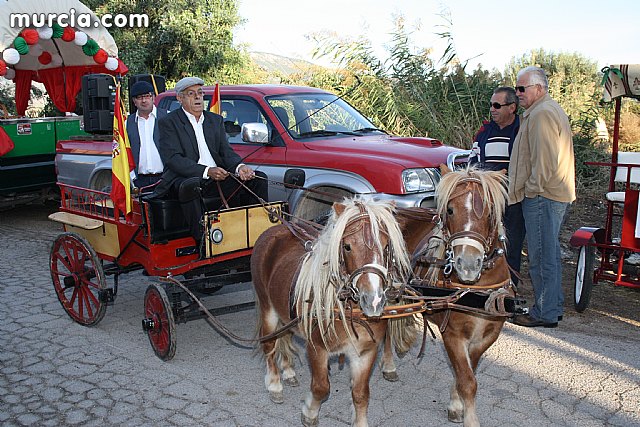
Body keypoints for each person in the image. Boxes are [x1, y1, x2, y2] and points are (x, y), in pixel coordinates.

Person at [154, 76, 268, 249]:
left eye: (200, 93)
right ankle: (205, 244)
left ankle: (254, 236)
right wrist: (207, 171)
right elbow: (173, 159)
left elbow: (226, 152)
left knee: (257, 178)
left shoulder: (215, 120)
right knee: (190, 185)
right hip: (186, 178)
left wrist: (240, 167)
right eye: (191, 94)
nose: (198, 97)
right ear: (180, 98)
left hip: (217, 177)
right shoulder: (168, 122)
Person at [509, 66, 576, 328]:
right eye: (516, 88)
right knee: (548, 253)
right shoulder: (543, 111)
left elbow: (544, 162)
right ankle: (552, 307)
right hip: (550, 194)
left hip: (543, 196)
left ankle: (543, 313)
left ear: (538, 88)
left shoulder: (541, 114)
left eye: (522, 88)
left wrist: (531, 191)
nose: (517, 94)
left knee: (541, 256)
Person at [470, 87, 525, 285]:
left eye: (497, 105)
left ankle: (509, 288)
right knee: (486, 240)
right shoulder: (484, 131)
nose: (492, 109)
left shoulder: (522, 129)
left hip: (514, 197)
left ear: (512, 107)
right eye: (491, 105)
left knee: (511, 243)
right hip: (488, 197)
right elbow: (473, 161)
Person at [126, 81, 168, 188]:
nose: (144, 100)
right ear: (134, 101)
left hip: (165, 179)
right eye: (139, 97)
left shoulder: (168, 117)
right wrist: (132, 178)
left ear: (153, 98)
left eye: (147, 96)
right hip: (139, 181)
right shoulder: (127, 123)